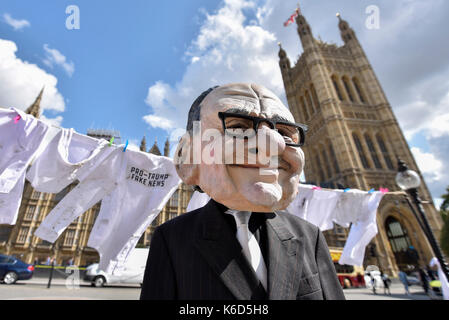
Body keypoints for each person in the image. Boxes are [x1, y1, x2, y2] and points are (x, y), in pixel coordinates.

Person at [140, 83, 345, 300]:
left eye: (284, 132)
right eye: (238, 126)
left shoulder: (309, 236)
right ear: (187, 156)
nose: (273, 143)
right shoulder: (171, 239)